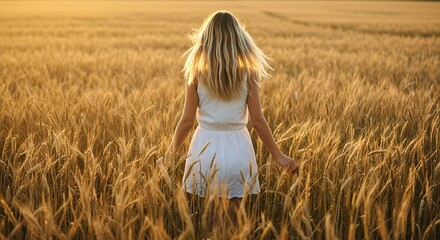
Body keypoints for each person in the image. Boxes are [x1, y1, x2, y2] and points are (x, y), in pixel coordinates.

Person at [156, 10, 299, 233]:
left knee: (212, 226)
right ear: (238, 40)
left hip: (204, 153)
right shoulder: (248, 74)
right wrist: (278, 155)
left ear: (206, 40)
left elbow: (186, 121)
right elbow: (258, 120)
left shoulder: (196, 74)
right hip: (239, 151)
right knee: (234, 228)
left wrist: (169, 155)